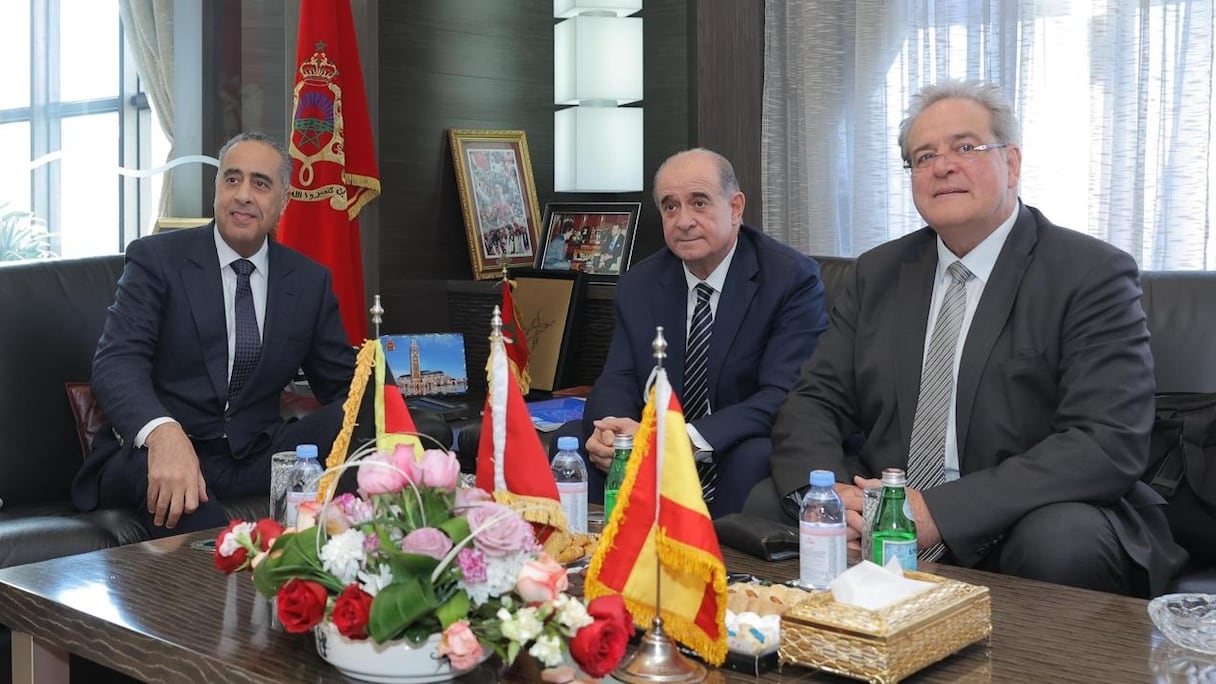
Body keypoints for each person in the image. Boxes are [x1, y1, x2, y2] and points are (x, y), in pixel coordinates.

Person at [751, 80, 1186, 596]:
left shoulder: (1089, 273)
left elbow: (1103, 442)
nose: (942, 166)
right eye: (923, 155)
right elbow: (814, 401)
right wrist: (832, 499)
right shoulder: (879, 272)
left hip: (1024, 511)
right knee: (766, 502)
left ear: (1013, 163)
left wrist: (938, 511)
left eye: (966, 147)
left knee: (1060, 539)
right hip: (886, 503)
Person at [70, 132, 362, 538]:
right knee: (175, 489)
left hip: (256, 454)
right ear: (217, 189)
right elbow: (117, 363)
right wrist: (162, 432)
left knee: (370, 418)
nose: (243, 194)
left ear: (284, 201)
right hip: (158, 451)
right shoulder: (157, 259)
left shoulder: (308, 281)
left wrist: (391, 401)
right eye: (231, 179)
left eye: (260, 183)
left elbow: (341, 384)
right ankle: (227, 577)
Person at [566, 148, 829, 518]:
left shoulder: (790, 279)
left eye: (699, 202)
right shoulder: (639, 284)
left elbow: (784, 394)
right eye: (670, 207)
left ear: (736, 208)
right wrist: (614, 433)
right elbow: (618, 378)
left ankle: (727, 570)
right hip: (656, 446)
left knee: (753, 455)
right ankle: (599, 561)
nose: (683, 220)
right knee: (578, 440)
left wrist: (685, 440)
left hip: (732, 442)